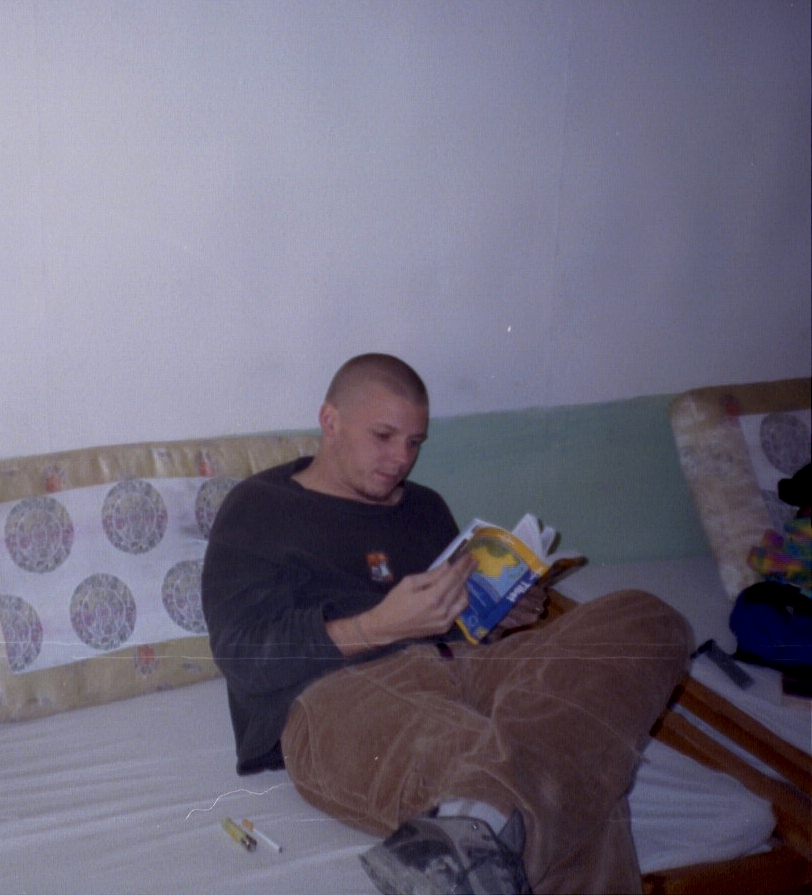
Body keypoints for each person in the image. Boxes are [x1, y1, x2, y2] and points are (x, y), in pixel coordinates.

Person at [202, 353, 694, 895]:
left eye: (414, 442)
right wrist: (377, 626)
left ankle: (480, 826)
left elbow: (455, 621)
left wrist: (498, 616)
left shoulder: (424, 507)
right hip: (339, 696)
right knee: (552, 762)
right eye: (384, 436)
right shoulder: (260, 507)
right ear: (330, 420)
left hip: (466, 666)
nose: (401, 459)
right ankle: (484, 820)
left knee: (645, 620)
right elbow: (242, 655)